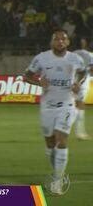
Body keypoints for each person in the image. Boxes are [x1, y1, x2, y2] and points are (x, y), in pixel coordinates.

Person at [24, 29, 86, 195]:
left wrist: (78, 82)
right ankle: (57, 172)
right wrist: (38, 81)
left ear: (67, 42)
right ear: (51, 42)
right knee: (50, 144)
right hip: (47, 106)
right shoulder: (42, 58)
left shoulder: (75, 58)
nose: (60, 41)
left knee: (61, 140)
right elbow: (26, 76)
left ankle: (58, 181)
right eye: (56, 39)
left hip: (67, 105)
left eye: (63, 39)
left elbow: (83, 72)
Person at [73, 37, 93, 140]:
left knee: (74, 104)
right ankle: (79, 132)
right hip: (82, 82)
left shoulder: (71, 54)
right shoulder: (89, 55)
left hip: (71, 81)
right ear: (84, 44)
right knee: (80, 105)